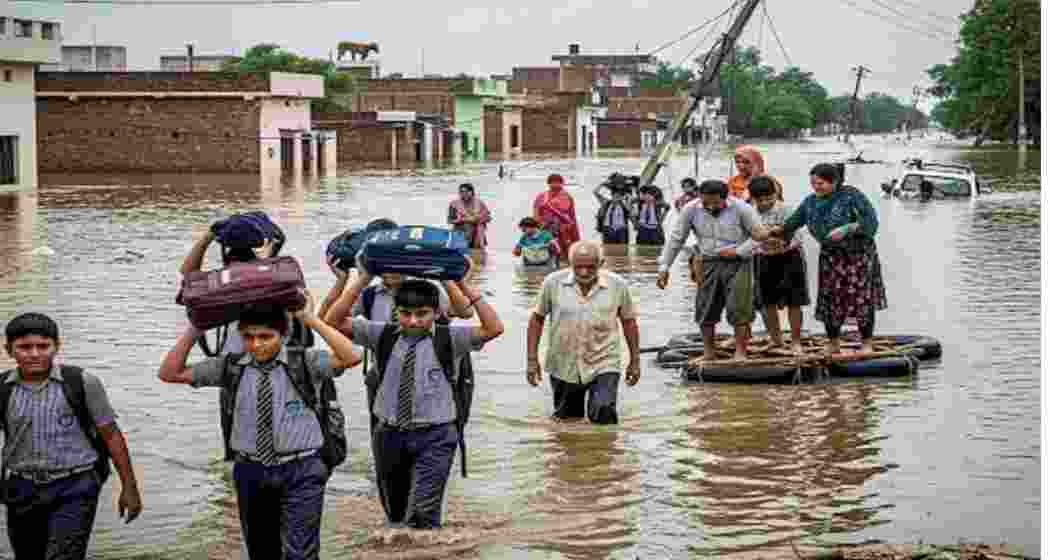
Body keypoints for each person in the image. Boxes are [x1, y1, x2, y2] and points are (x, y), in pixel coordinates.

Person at [158, 295, 362, 560]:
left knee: (301, 553)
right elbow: (169, 373)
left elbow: (352, 357)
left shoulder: (304, 362)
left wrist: (309, 318)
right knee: (261, 552)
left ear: (283, 334)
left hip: (302, 469)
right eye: (248, 337)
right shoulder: (230, 367)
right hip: (251, 470)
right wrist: (196, 328)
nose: (256, 345)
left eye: (266, 337)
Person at [333, 258, 503, 529]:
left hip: (435, 435)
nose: (413, 321)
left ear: (437, 313)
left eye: (422, 314)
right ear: (395, 312)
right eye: (405, 313)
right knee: (395, 515)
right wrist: (362, 279)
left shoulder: (449, 338)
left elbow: (494, 328)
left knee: (424, 515)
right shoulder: (382, 335)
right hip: (389, 434)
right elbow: (333, 320)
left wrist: (461, 283)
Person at [1, 312, 143, 560]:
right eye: (24, 347)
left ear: (57, 346)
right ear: (9, 350)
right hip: (21, 486)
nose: (34, 354)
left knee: (65, 554)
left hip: (75, 485)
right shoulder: (3, 389)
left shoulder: (81, 382)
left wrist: (129, 487)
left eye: (43, 346)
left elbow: (111, 436)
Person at [768, 163, 887, 355]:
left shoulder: (851, 196)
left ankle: (866, 343)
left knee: (861, 298)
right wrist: (776, 232)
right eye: (813, 183)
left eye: (821, 183)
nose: (816, 187)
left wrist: (848, 228)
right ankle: (833, 342)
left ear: (835, 181)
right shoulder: (810, 202)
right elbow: (793, 223)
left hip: (858, 257)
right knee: (831, 299)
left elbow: (871, 222)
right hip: (830, 259)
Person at [526, 240, 641, 424]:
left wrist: (635, 361)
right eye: (578, 267)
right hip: (563, 363)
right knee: (568, 421)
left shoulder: (617, 285)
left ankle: (605, 451)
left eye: (590, 267)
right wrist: (532, 361)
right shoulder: (553, 283)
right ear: (570, 264)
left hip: (604, 360)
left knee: (604, 412)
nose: (584, 272)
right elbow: (537, 319)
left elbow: (629, 322)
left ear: (601, 264)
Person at [656, 180, 771, 362]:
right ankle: (709, 352)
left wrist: (738, 251)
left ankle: (740, 352)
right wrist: (664, 267)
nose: (710, 206)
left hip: (738, 262)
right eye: (706, 202)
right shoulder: (691, 209)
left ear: (726, 198)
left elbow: (759, 236)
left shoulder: (742, 209)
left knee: (738, 307)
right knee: (705, 308)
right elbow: (676, 238)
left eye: (715, 203)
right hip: (707, 261)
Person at [748, 176, 810, 353]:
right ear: (753, 198)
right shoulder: (750, 213)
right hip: (763, 258)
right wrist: (763, 244)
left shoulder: (786, 210)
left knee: (794, 300)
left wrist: (781, 243)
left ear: (776, 194)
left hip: (790, 257)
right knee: (767, 301)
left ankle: (796, 341)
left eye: (769, 198)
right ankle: (776, 340)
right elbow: (748, 238)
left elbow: (797, 236)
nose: (765, 202)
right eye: (761, 200)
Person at [533, 174, 581, 261]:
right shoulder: (541, 196)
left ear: (562, 183)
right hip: (545, 228)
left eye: (558, 183)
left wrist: (575, 234)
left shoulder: (566, 196)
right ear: (549, 184)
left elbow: (571, 216)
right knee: (546, 252)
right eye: (553, 182)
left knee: (564, 252)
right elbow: (536, 213)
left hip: (563, 230)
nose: (556, 185)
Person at [447, 183, 492, 249]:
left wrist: (478, 219)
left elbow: (488, 217)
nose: (464, 193)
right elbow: (450, 220)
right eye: (461, 191)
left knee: (480, 229)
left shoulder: (479, 203)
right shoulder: (454, 204)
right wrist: (462, 220)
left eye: (466, 191)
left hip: (478, 234)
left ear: (472, 192)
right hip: (461, 232)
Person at [593, 176, 634, 245]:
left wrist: (628, 193)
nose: (616, 198)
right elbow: (595, 192)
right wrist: (602, 184)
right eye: (615, 196)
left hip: (621, 231)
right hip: (608, 230)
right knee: (607, 249)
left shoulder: (624, 205)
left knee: (622, 251)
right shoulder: (606, 203)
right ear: (612, 195)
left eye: (619, 196)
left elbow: (631, 210)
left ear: (621, 197)